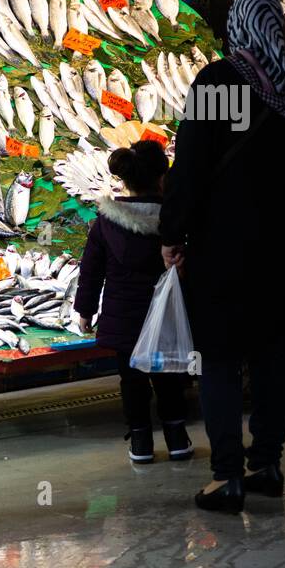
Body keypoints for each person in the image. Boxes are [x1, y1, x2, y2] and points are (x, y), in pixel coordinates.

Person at [160, 0, 285, 514]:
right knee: (274, 355)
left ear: (238, 29)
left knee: (221, 358)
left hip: (228, 250)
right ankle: (267, 465)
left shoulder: (221, 82)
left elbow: (190, 166)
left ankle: (227, 476)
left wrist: (172, 233)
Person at [74, 141, 193, 465]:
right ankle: (177, 437)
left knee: (132, 380)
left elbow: (91, 271)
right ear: (162, 177)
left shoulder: (106, 222)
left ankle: (141, 442)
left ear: (125, 179)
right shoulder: (175, 221)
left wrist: (85, 310)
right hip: (167, 316)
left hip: (124, 318)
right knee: (169, 376)